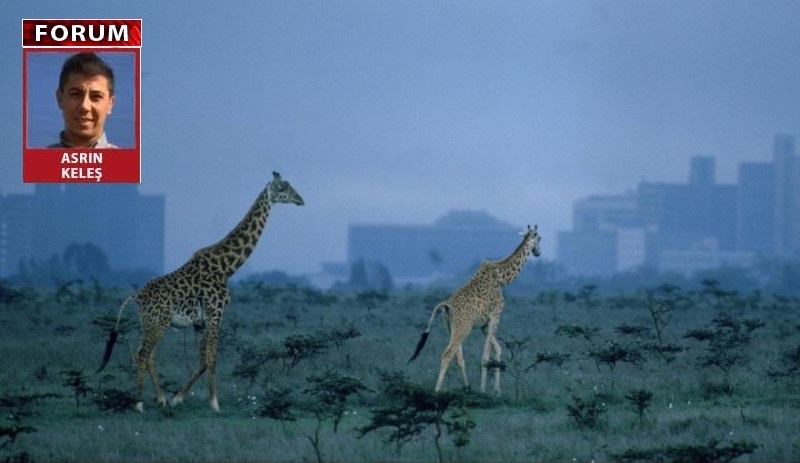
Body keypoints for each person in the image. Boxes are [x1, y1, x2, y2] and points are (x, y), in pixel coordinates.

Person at [48, 52, 118, 148]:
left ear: (110, 104)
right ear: (60, 99)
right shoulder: (37, 162)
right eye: (76, 94)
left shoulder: (127, 162)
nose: (85, 106)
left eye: (96, 96)